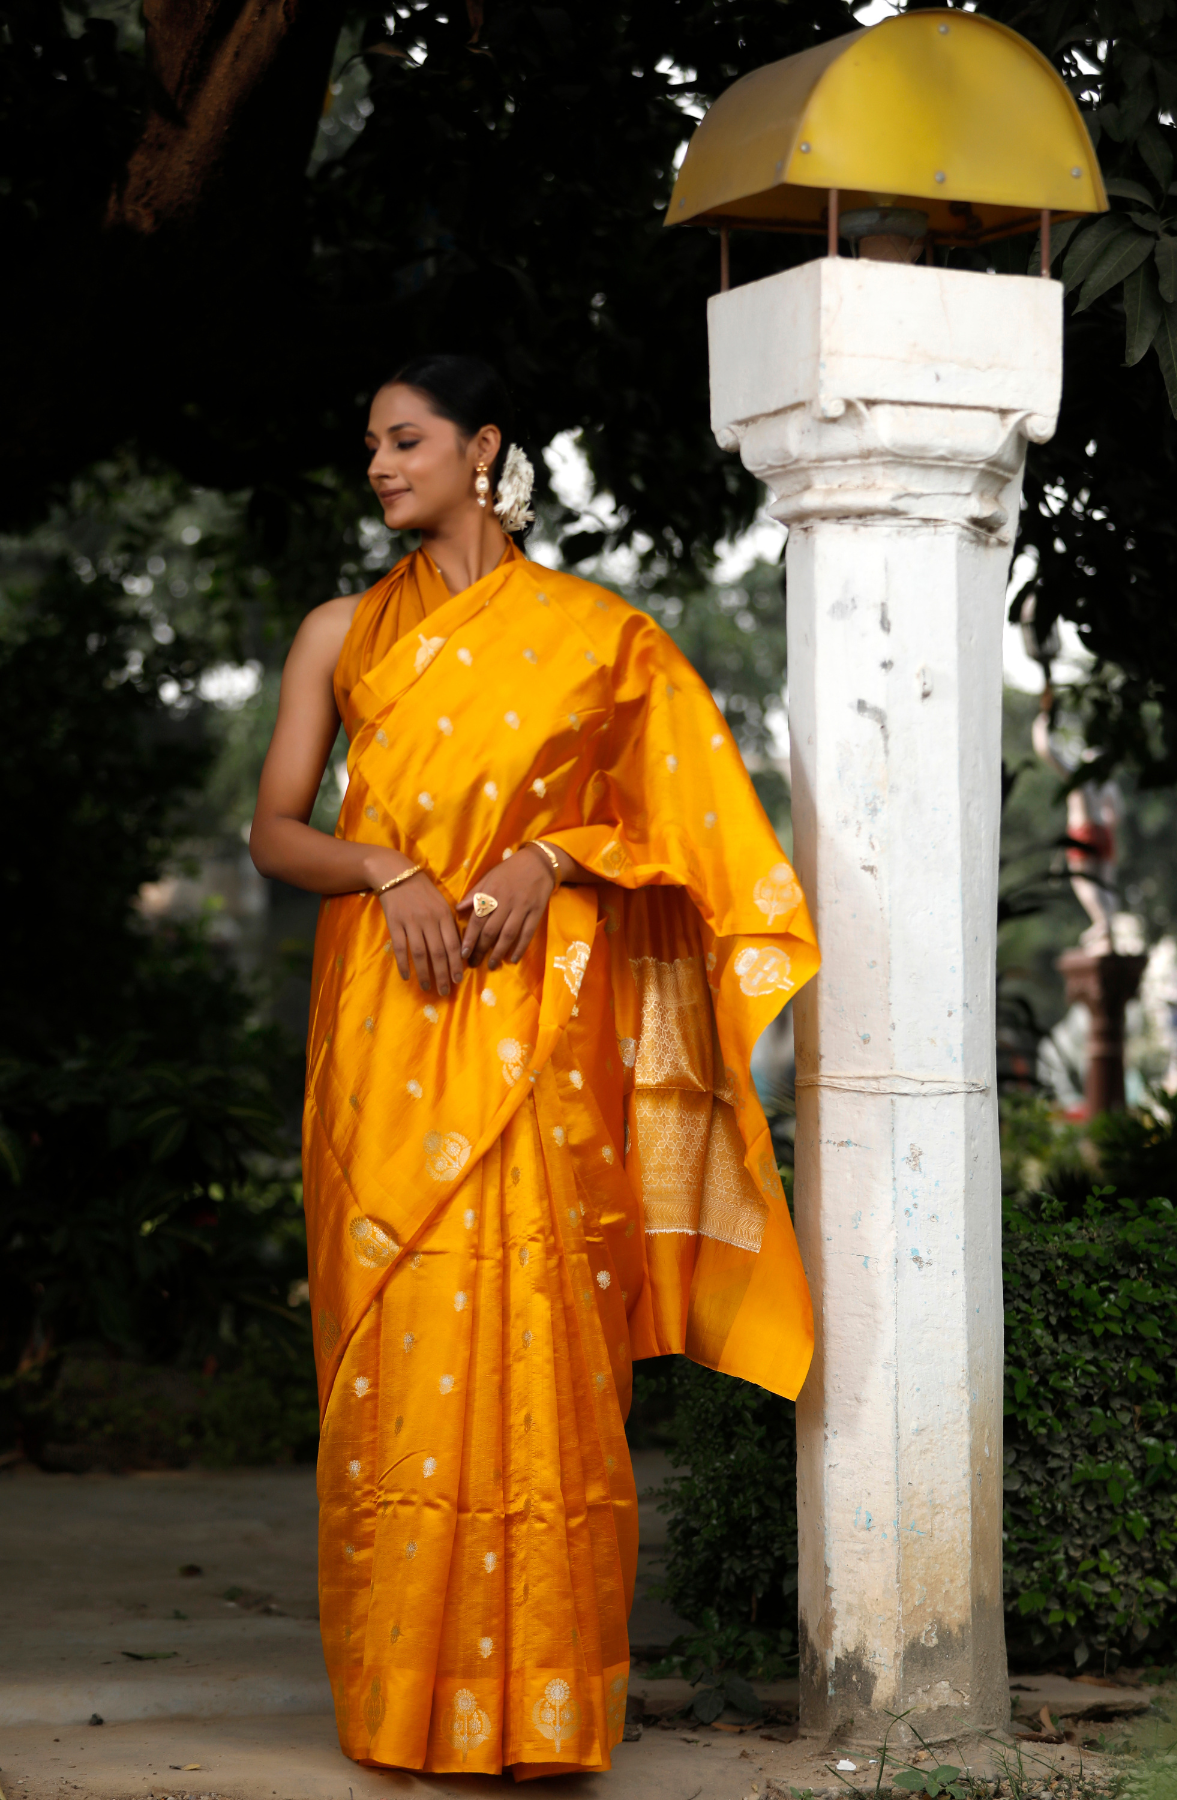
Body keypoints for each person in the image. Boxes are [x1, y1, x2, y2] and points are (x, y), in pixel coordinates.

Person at [249, 353, 819, 1779]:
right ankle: (402, 1701)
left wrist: (552, 853)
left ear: (482, 449)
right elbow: (275, 831)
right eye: (369, 445)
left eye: (406, 440)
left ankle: (543, 1705)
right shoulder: (340, 633)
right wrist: (388, 870)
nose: (380, 465)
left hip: (545, 1034)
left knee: (544, 1344)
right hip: (392, 1021)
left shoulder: (599, 641)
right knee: (404, 1337)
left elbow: (691, 835)